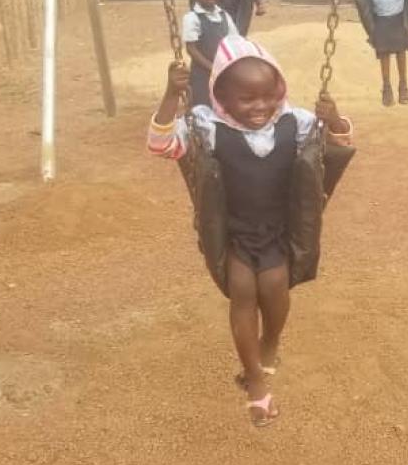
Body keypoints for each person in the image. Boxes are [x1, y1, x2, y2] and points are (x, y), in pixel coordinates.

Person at [147, 38, 353, 426]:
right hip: (233, 231)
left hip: (278, 229)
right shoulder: (206, 126)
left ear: (280, 91)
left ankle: (270, 343)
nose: (259, 107)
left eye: (267, 96)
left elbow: (338, 142)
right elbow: (160, 145)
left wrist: (336, 117)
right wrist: (170, 96)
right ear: (220, 96)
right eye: (246, 99)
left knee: (274, 285)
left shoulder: (297, 123)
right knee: (242, 290)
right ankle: (256, 380)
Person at [182, 0, 241, 109]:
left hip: (224, 71)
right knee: (202, 107)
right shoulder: (192, 18)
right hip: (201, 74)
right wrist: (210, 67)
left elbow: (235, 41)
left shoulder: (224, 16)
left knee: (224, 105)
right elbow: (191, 49)